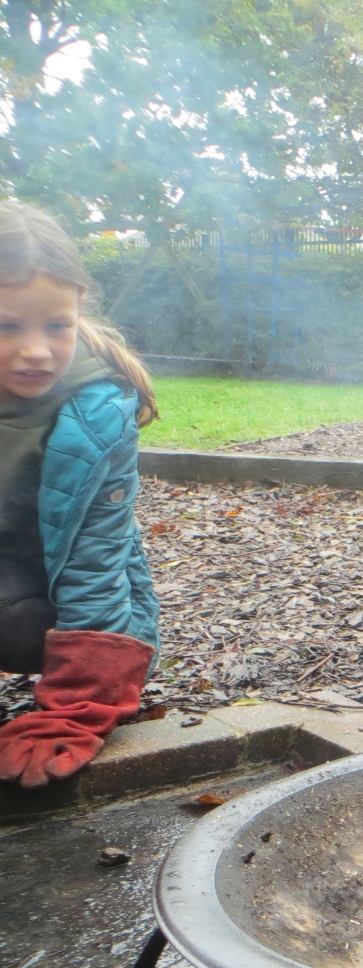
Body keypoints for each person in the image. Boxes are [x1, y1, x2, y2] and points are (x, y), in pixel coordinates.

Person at [0, 202, 160, 788]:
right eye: (7, 326)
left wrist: (77, 705)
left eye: (56, 326)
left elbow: (96, 568)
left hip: (46, 607)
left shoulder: (96, 417)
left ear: (78, 313)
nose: (36, 351)